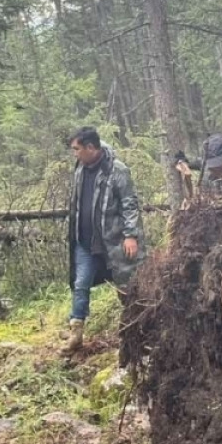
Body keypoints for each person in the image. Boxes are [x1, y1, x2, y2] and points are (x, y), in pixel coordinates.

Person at [66, 127, 145, 353]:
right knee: (80, 285)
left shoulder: (117, 170)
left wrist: (130, 235)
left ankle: (135, 331)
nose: (75, 154)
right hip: (84, 242)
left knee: (125, 287)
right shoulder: (80, 169)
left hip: (113, 241)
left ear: (91, 147)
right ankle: (76, 334)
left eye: (77, 149)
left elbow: (129, 203)